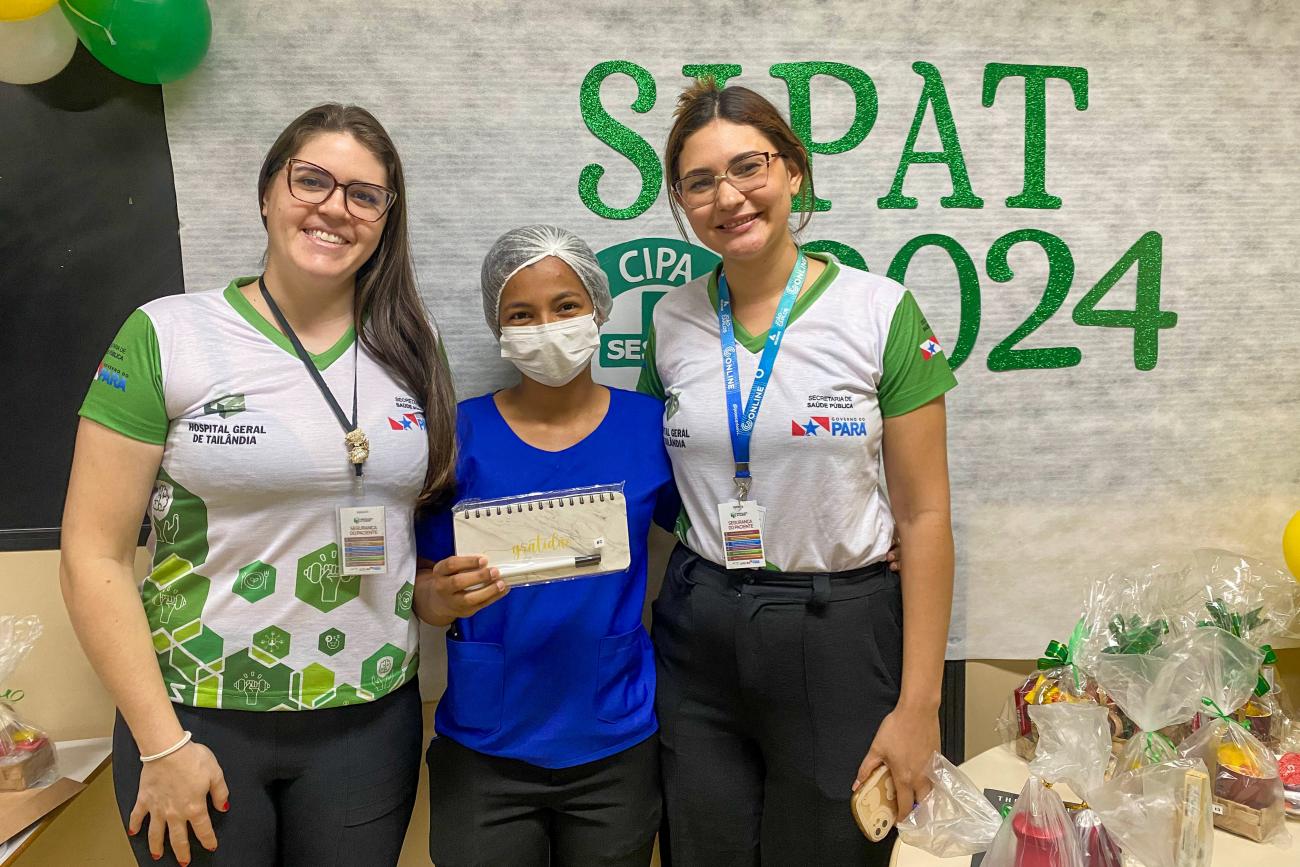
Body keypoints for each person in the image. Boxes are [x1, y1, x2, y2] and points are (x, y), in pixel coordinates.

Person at [60, 103, 455, 867]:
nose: (335, 207)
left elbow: (414, 524)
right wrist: (161, 742)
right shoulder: (168, 334)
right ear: (268, 191)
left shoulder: (414, 342)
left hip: (369, 719)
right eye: (312, 180)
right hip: (196, 717)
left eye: (364, 195)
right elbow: (92, 555)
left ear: (386, 219)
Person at [639, 79, 958, 865]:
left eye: (748, 167)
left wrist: (920, 705)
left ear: (792, 170)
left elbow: (923, 516)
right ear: (682, 202)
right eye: (700, 181)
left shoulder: (879, 310)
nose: (728, 197)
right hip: (699, 624)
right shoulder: (671, 321)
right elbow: (645, 477)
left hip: (837, 629)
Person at [415, 225, 676, 867]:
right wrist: (434, 600)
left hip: (613, 736)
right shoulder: (457, 434)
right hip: (487, 742)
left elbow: (707, 531)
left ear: (598, 309)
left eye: (565, 306)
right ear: (497, 327)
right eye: (521, 314)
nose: (547, 327)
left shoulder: (651, 427)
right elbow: (419, 579)